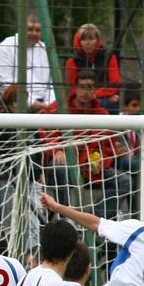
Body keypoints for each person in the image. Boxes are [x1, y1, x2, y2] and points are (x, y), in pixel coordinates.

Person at [40, 69, 129, 219]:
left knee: (124, 180)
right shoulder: (58, 108)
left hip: (91, 169)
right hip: (64, 165)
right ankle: (66, 219)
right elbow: (45, 132)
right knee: (59, 169)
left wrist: (100, 161)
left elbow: (108, 147)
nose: (85, 92)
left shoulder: (102, 114)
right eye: (82, 87)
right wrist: (57, 150)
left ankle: (95, 220)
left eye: (89, 87)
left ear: (95, 90)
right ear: (75, 88)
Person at [0, 15, 54, 111]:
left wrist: (48, 104)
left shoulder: (46, 50)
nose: (34, 33)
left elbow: (52, 84)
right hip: (11, 104)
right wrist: (32, 103)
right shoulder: (5, 47)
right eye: (30, 29)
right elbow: (4, 85)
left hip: (44, 105)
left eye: (38, 30)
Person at [65, 24, 123, 113]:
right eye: (83, 39)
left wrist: (96, 94)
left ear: (97, 40)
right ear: (78, 41)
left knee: (112, 103)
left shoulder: (109, 57)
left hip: (103, 100)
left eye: (91, 38)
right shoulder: (72, 62)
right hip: (82, 101)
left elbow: (115, 84)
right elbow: (73, 90)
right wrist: (92, 95)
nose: (87, 43)